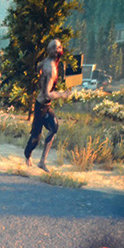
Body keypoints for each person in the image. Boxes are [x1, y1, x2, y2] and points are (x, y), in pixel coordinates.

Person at [24, 39, 72, 171]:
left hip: (46, 106)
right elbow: (47, 94)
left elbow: (38, 66)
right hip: (41, 106)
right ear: (50, 51)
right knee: (36, 137)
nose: (59, 49)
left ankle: (42, 162)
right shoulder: (50, 68)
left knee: (54, 128)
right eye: (56, 47)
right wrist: (62, 95)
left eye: (60, 47)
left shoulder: (48, 62)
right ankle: (27, 155)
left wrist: (40, 74)